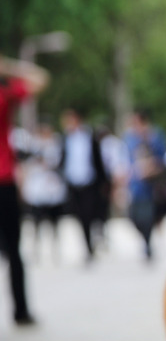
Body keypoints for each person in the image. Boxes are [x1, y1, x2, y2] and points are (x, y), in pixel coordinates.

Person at [0, 54, 48, 326]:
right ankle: (21, 311)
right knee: (14, 250)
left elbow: (40, 81)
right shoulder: (5, 93)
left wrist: (7, 67)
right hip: (4, 181)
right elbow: (40, 78)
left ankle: (21, 309)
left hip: (4, 180)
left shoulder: (5, 93)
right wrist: (9, 66)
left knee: (15, 251)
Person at [59, 109, 109, 264]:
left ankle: (96, 236)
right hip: (74, 183)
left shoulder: (90, 137)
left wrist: (104, 182)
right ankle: (88, 246)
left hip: (90, 182)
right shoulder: (65, 139)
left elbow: (98, 161)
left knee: (91, 213)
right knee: (81, 216)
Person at [124, 109, 166, 260]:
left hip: (151, 185)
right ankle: (145, 240)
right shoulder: (130, 138)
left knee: (147, 216)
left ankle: (148, 245)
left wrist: (152, 167)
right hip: (135, 184)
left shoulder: (155, 136)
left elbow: (164, 160)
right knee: (133, 216)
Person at [20, 122, 66, 263]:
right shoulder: (33, 147)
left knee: (54, 223)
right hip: (38, 192)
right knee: (36, 223)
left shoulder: (56, 145)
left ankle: (55, 250)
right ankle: (36, 250)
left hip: (52, 190)